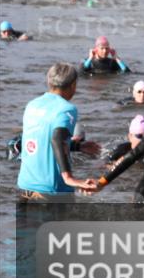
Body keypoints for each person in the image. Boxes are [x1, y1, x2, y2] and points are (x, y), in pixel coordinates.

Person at [17, 63, 101, 202]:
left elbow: (42, 138)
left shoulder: (32, 105)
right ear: (73, 85)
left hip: (25, 187)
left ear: (48, 81)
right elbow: (57, 139)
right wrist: (69, 178)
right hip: (53, 191)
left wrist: (76, 147)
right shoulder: (66, 108)